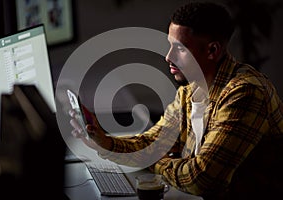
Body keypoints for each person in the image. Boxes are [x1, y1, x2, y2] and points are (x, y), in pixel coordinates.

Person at [69, 1, 283, 199]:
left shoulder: (245, 93)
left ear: (212, 51)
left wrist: (153, 160)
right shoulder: (189, 93)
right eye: (170, 45)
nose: (168, 57)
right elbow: (150, 143)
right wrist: (103, 141)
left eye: (180, 48)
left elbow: (201, 179)